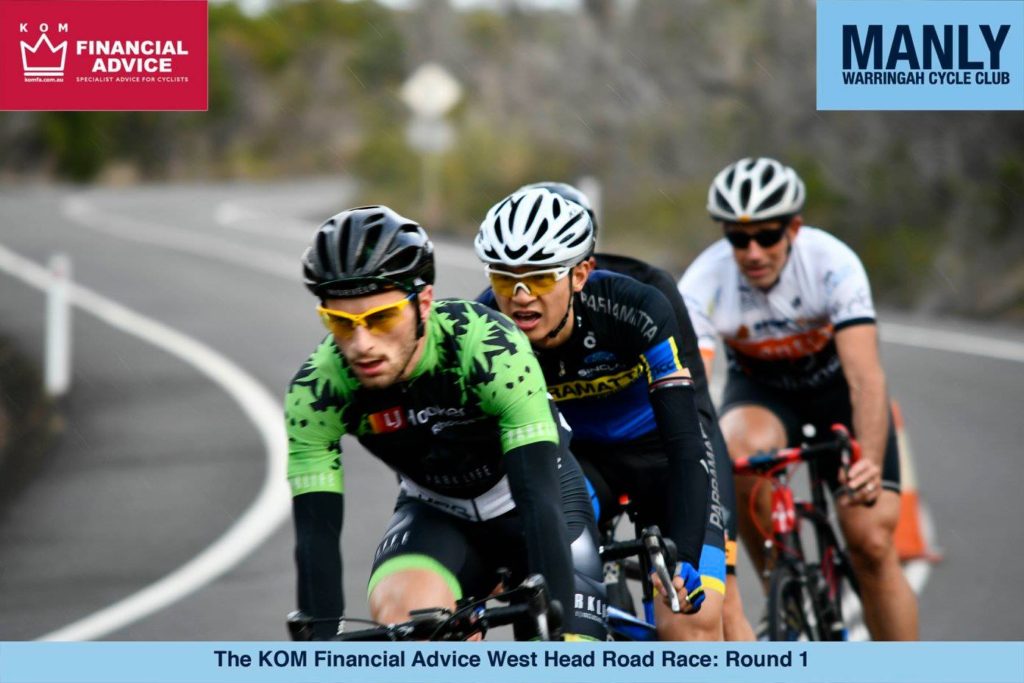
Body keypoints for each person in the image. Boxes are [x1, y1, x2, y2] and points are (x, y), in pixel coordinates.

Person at [287, 205, 607, 641]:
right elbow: (315, 542)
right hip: (437, 512)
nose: (362, 345)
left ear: (423, 303)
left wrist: (554, 623)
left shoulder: (488, 349)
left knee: (562, 646)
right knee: (411, 626)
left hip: (533, 500)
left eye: (380, 319)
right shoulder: (319, 390)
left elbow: (538, 503)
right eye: (341, 324)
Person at [678, 157, 919, 640]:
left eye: (766, 236)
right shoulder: (703, 282)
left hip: (837, 396)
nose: (752, 252)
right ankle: (781, 587)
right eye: (737, 238)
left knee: (870, 542)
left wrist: (868, 459)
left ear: (794, 228)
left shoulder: (833, 264)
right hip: (765, 393)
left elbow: (866, 378)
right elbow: (692, 385)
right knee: (737, 452)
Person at [475, 187, 722, 641]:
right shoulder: (484, 330)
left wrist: (684, 552)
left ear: (581, 273)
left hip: (661, 455)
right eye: (505, 279)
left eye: (541, 277)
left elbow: (688, 444)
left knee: (692, 624)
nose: (522, 296)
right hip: (576, 463)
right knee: (546, 612)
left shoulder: (637, 308)